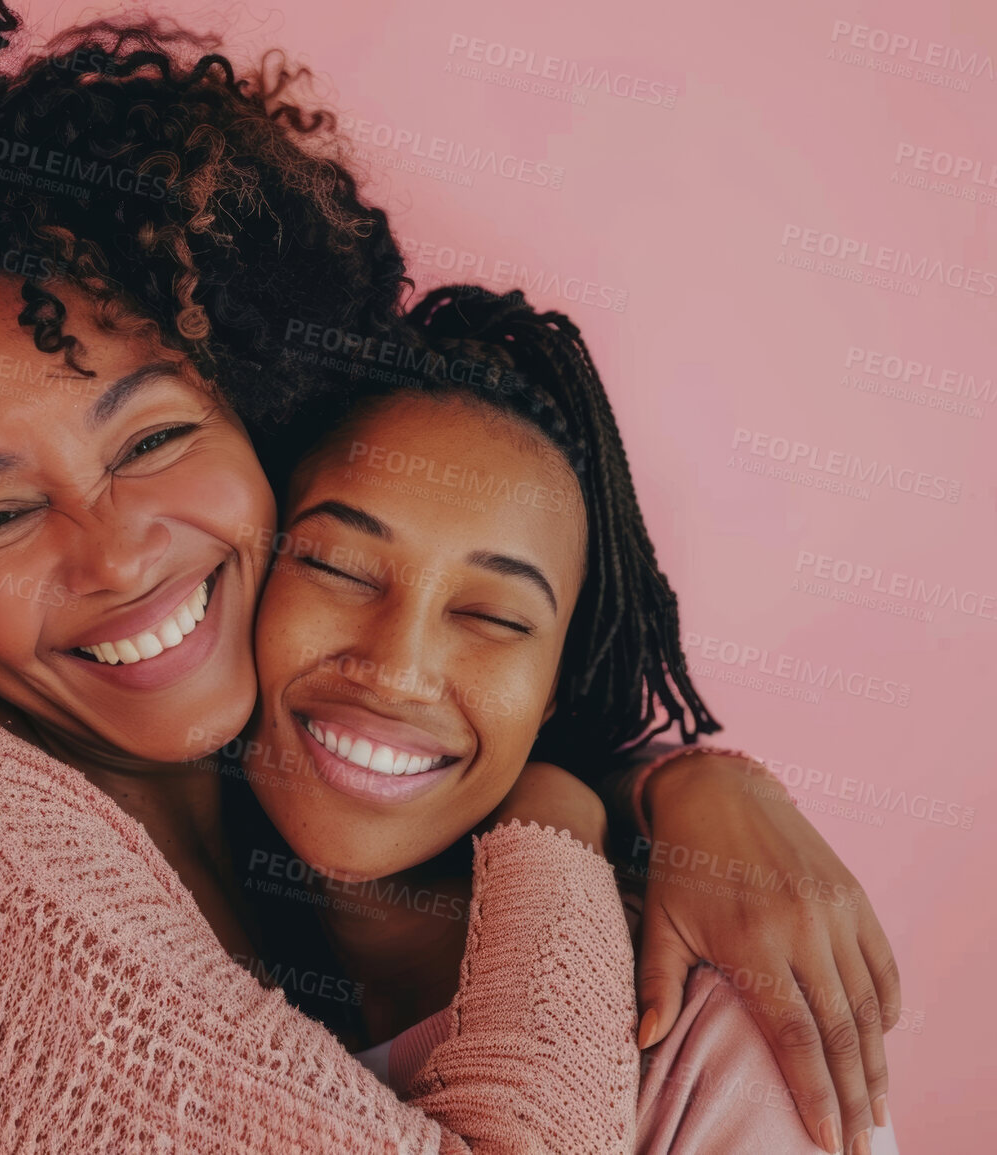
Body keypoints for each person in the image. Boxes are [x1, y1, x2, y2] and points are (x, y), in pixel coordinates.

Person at [0, 9, 896, 1150]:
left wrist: (687, 772)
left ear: (256, 420)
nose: (114, 553)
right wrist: (561, 804)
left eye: (158, 437)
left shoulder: (265, 858)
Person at [233, 285, 901, 1154]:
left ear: (553, 688)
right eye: (341, 567)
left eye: (496, 618)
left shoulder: (714, 1036)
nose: (398, 669)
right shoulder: (115, 920)